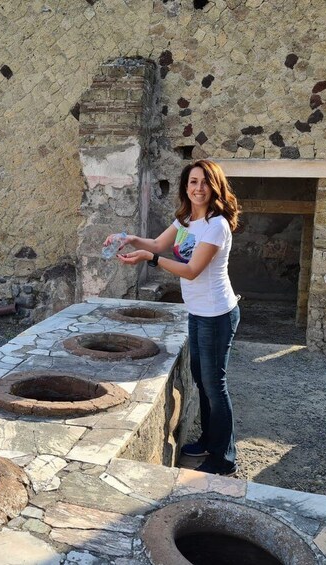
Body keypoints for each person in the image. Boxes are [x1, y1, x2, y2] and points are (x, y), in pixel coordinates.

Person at [104, 159, 241, 476]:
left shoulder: (216, 225)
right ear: (186, 187)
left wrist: (151, 259)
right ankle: (209, 441)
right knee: (202, 381)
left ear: (215, 186)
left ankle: (224, 458)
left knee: (214, 384)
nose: (198, 188)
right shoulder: (185, 220)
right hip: (197, 312)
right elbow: (156, 244)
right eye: (193, 182)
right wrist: (127, 238)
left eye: (204, 182)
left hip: (217, 315)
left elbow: (192, 271)